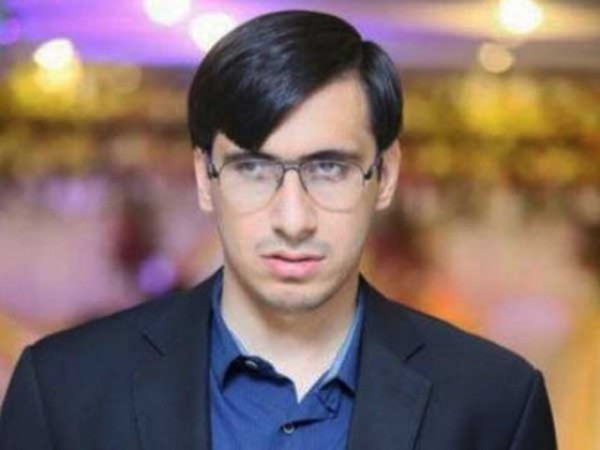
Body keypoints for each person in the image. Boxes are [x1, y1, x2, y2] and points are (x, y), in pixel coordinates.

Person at [0, 10, 556, 449]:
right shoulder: (64, 390)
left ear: (384, 176)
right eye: (253, 169)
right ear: (204, 178)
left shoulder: (496, 402)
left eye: (329, 168)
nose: (293, 220)